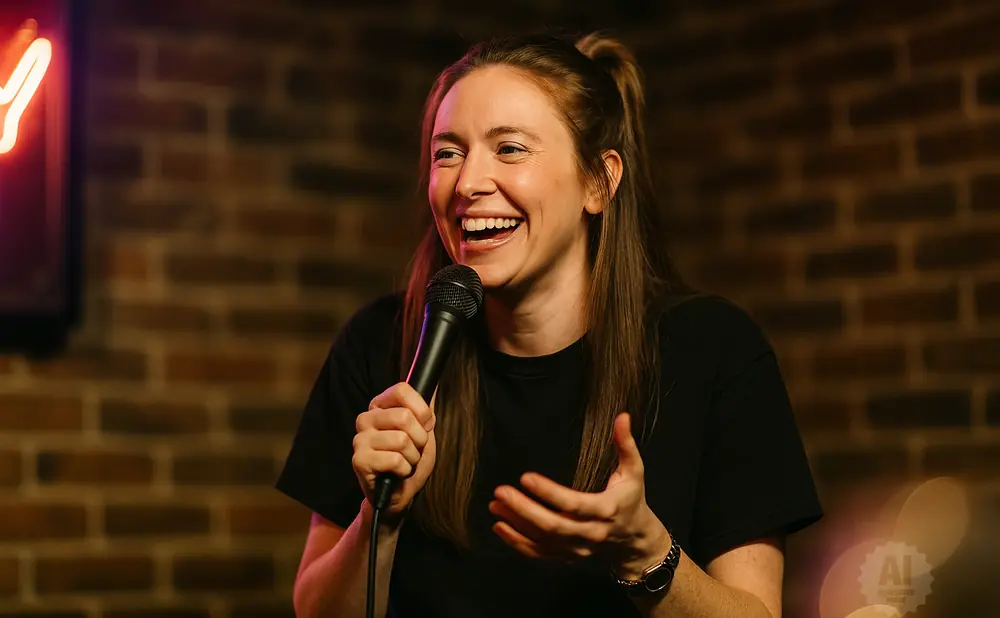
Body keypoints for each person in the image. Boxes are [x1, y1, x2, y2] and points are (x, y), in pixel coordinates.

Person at [276, 31, 823, 618]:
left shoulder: (712, 350)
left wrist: (646, 552)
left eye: (509, 149)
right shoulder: (382, 343)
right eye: (447, 153)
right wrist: (379, 522)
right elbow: (316, 609)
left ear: (599, 182)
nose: (467, 183)